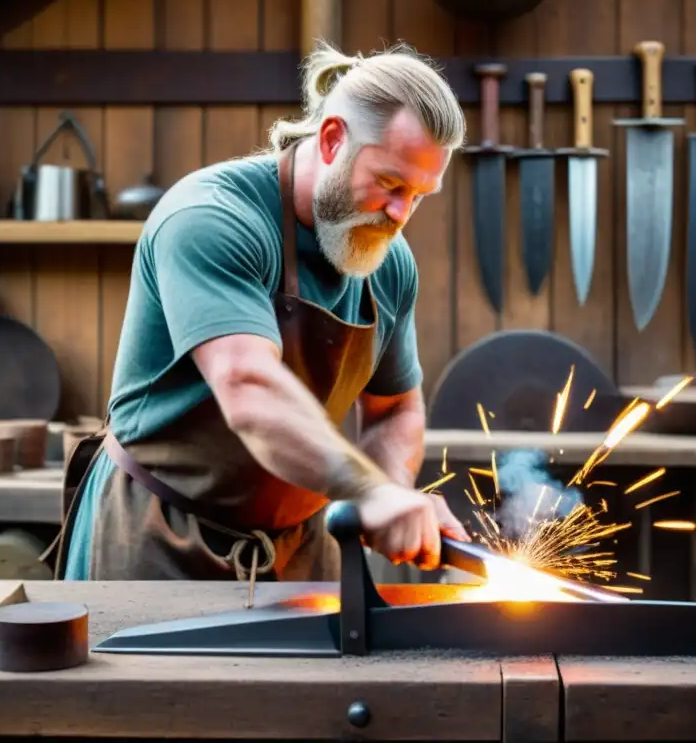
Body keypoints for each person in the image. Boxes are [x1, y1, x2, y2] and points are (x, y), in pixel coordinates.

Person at [55, 41, 470, 584]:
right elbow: (248, 388)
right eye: (391, 185)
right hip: (157, 537)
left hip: (300, 550)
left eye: (419, 195)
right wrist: (368, 489)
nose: (401, 215)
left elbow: (394, 410)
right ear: (331, 139)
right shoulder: (210, 219)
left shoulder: (390, 266)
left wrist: (389, 491)